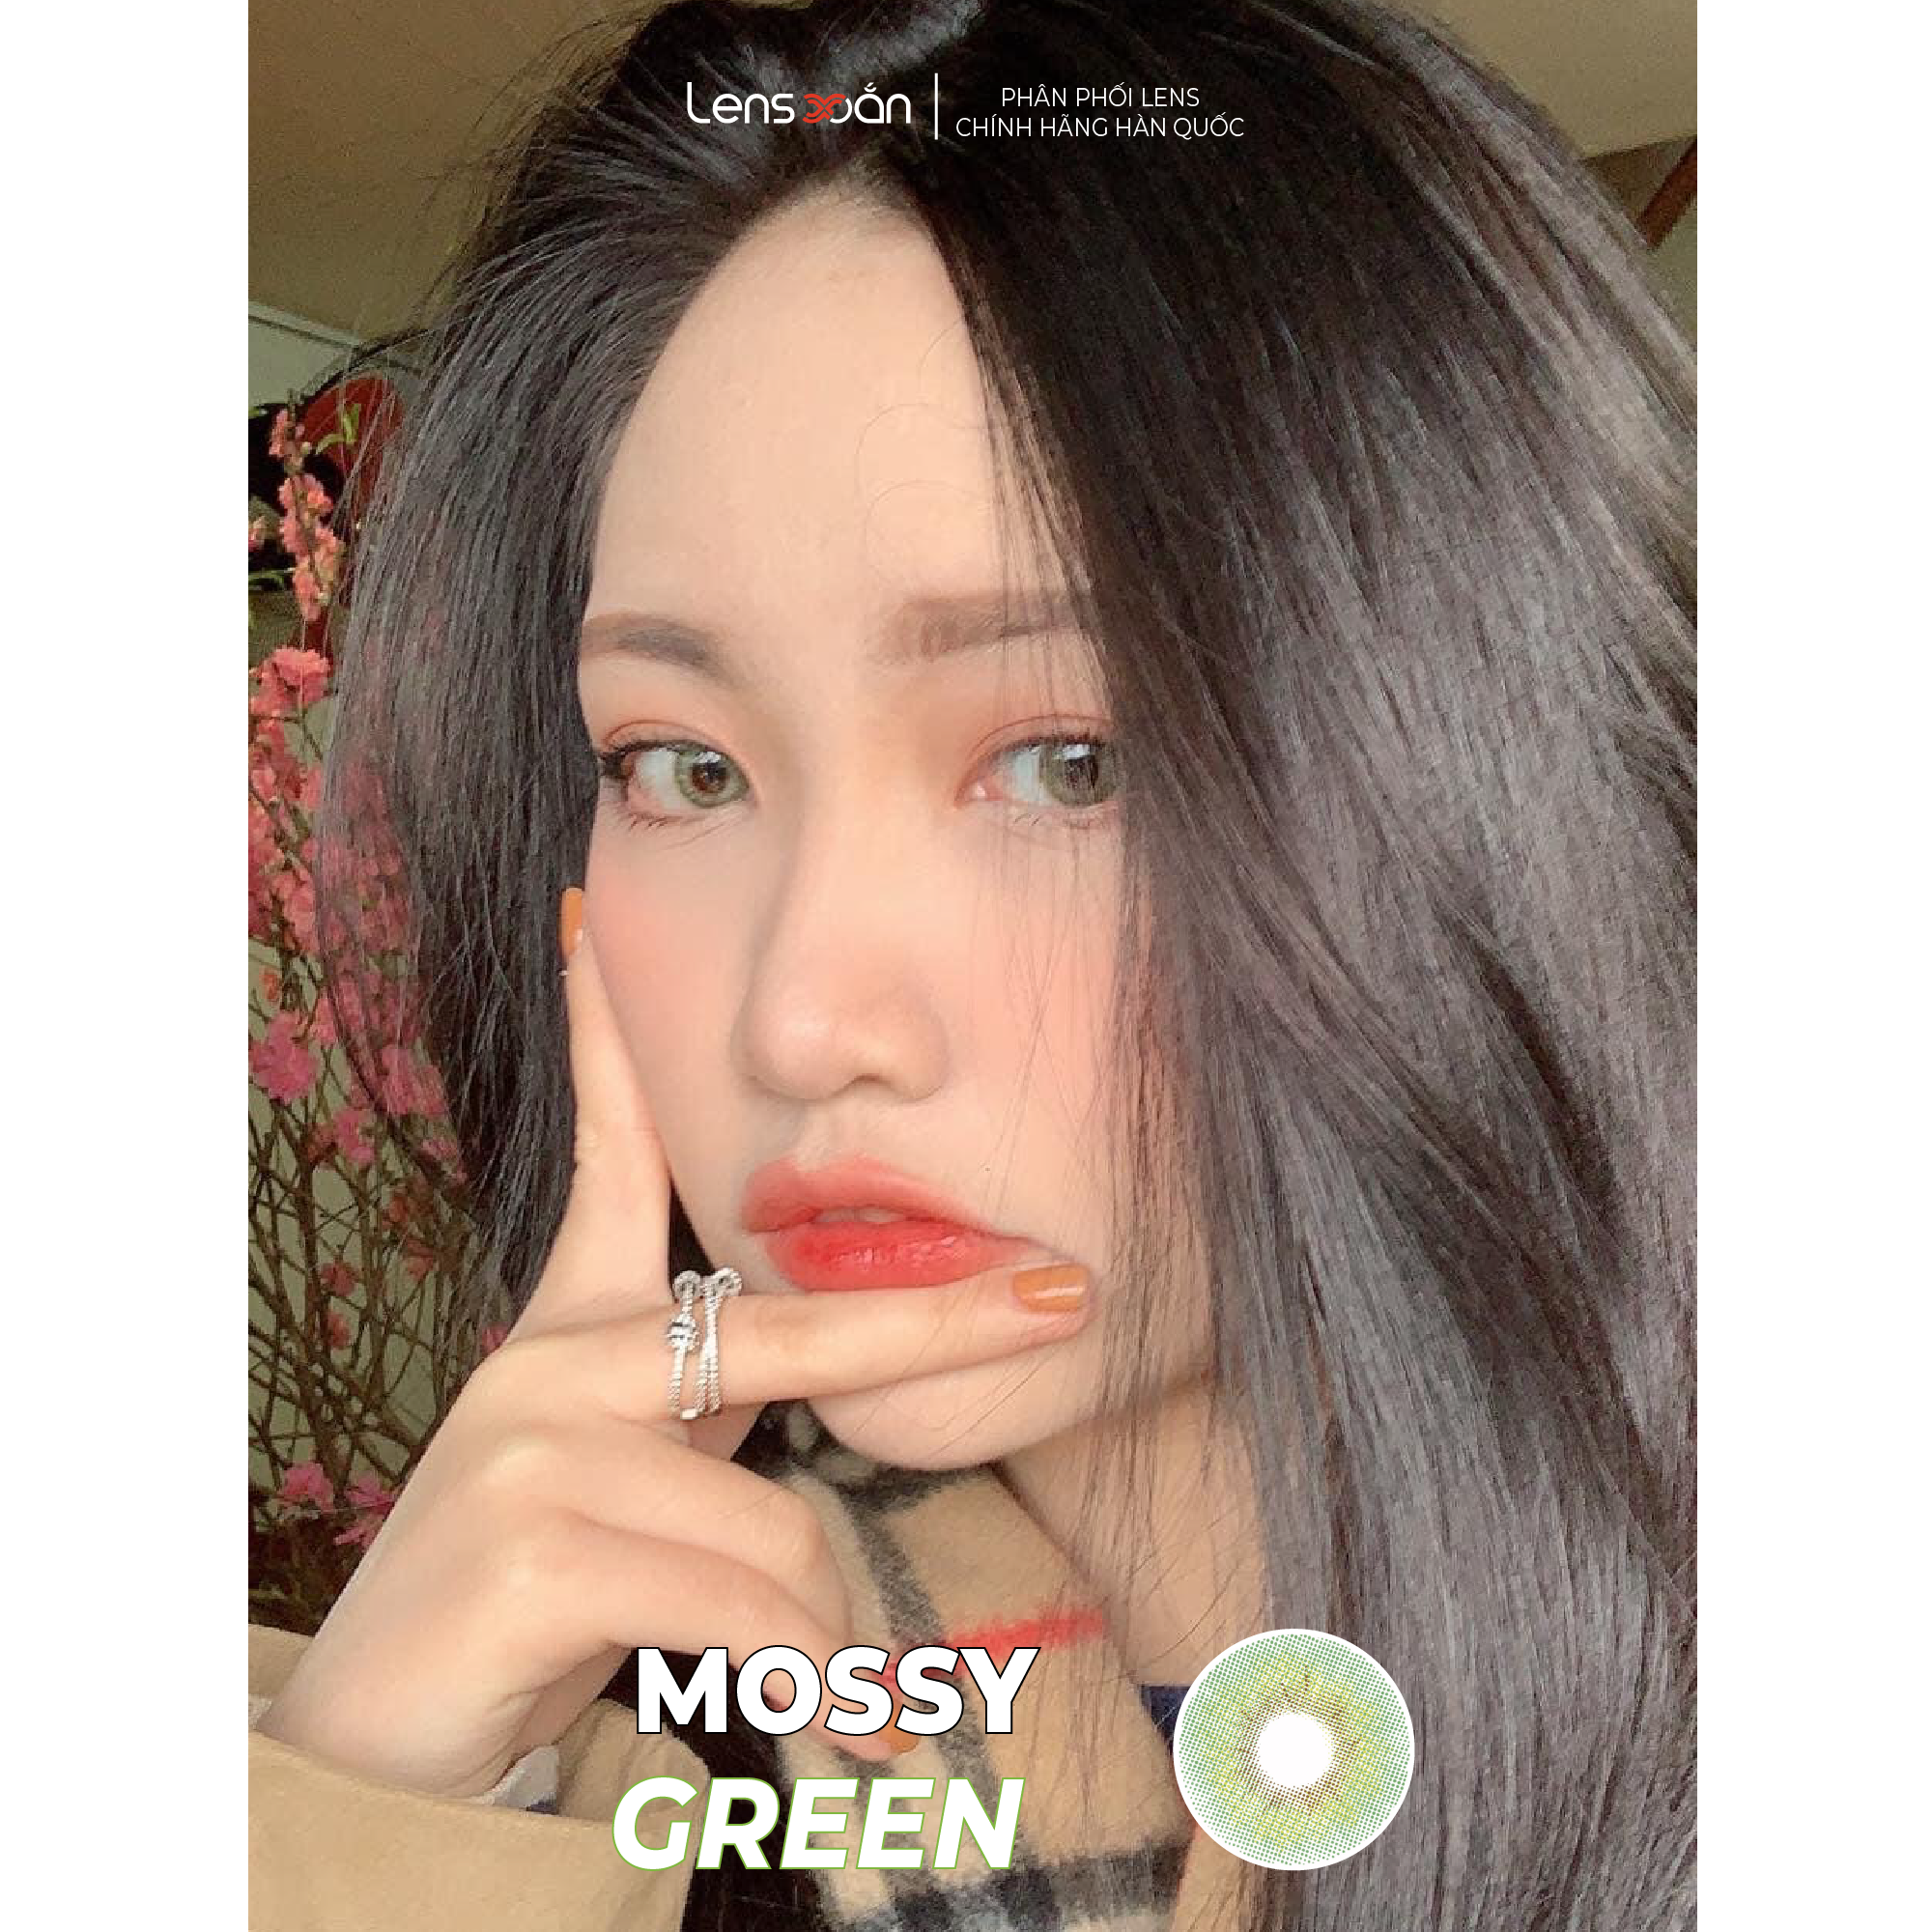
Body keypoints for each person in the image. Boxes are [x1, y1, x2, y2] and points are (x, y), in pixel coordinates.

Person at [246, 2, 1697, 1928]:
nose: (799, 1020)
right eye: (683, 768)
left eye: (1068, 761)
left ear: (1492, 779)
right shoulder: (614, 1769)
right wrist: (378, 1820)